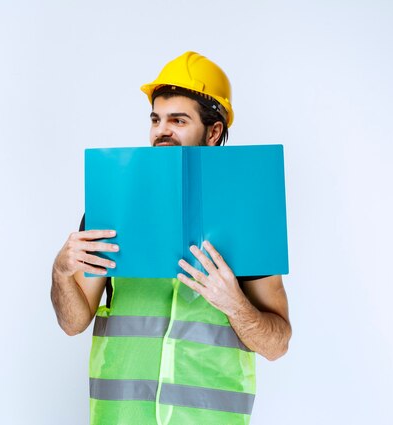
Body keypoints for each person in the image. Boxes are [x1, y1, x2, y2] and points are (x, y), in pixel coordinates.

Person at [51, 51, 291, 425]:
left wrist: (234, 304)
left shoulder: (248, 214)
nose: (162, 130)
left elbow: (277, 345)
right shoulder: (113, 204)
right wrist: (61, 272)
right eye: (156, 119)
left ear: (213, 132)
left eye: (178, 120)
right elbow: (72, 322)